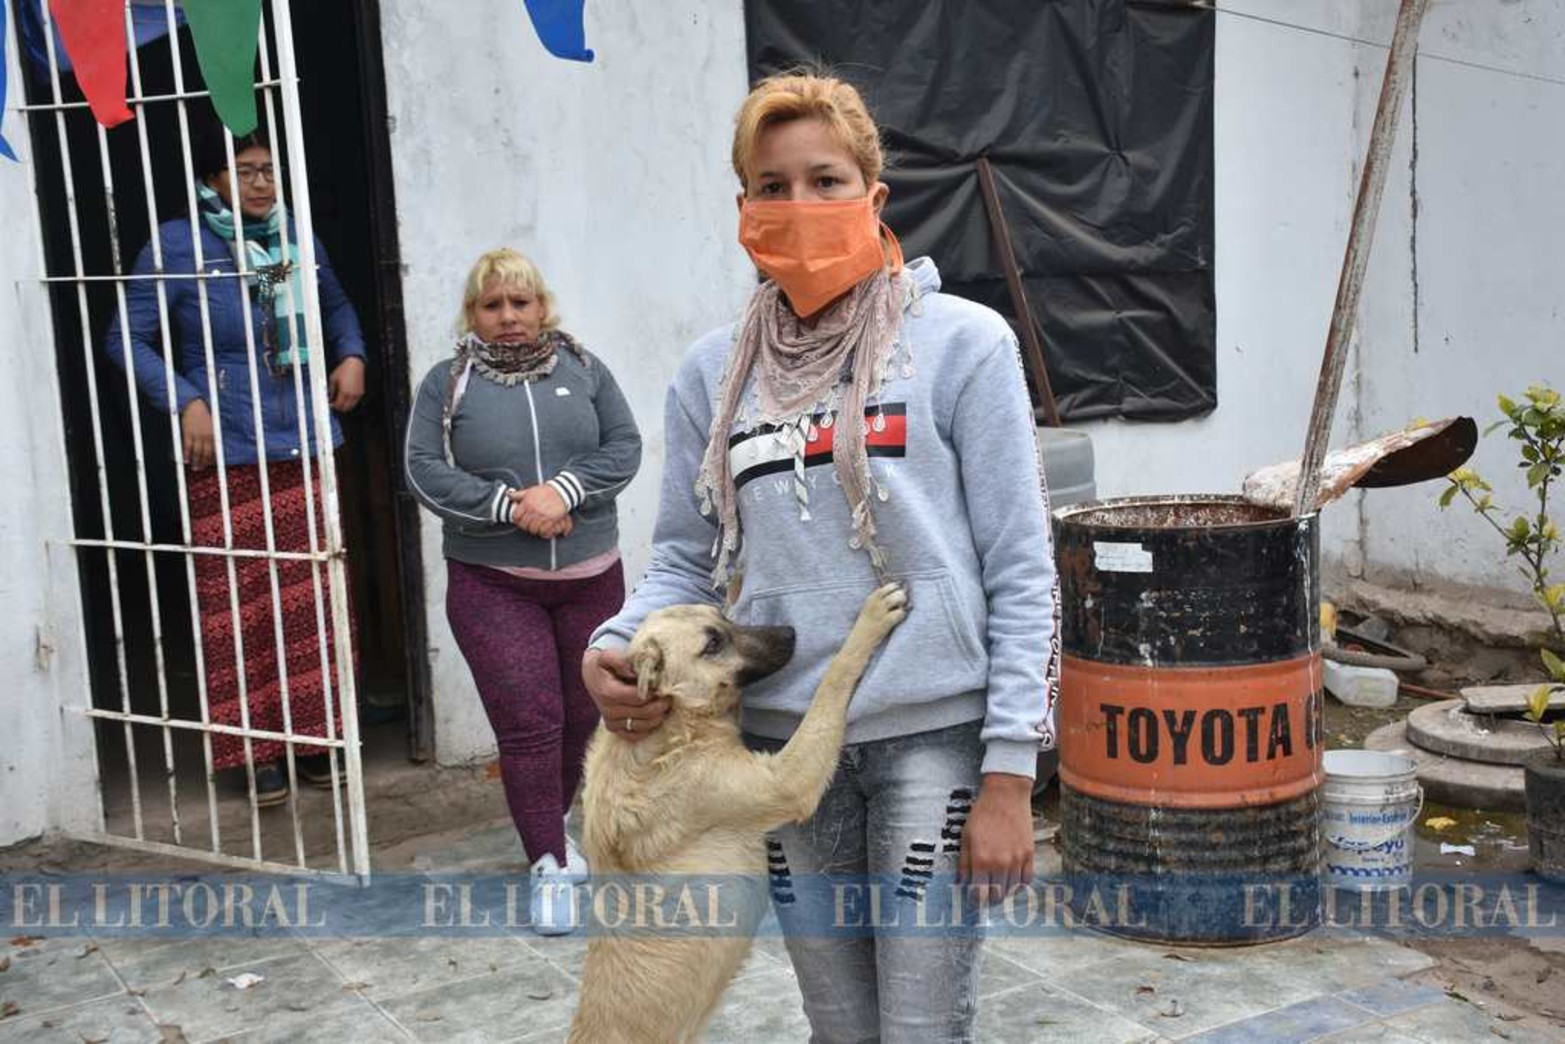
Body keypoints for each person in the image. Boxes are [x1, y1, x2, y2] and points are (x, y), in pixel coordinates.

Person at [581, 71, 1058, 1040]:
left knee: (920, 1026)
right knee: (839, 1025)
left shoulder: (964, 344)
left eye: (825, 180)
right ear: (743, 210)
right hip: (778, 740)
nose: (799, 204)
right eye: (773, 186)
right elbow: (683, 561)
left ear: (873, 196)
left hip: (931, 738)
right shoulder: (713, 373)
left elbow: (1021, 567)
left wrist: (1011, 771)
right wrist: (615, 642)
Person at [105, 124, 366, 809]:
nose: (260, 183)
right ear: (213, 180)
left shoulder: (292, 240)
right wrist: (185, 399)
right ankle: (256, 753)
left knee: (311, 601)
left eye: (269, 170)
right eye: (245, 170)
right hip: (227, 450)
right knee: (239, 608)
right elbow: (124, 337)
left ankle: (315, 741)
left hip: (302, 440)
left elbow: (335, 305)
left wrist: (351, 354)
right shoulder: (179, 245)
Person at [404, 248, 641, 934]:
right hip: (493, 583)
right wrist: (514, 507)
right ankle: (548, 861)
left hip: (591, 579)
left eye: (520, 302)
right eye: (492, 305)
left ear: (542, 307)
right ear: (472, 314)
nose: (508, 316)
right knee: (530, 724)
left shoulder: (585, 370)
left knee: (583, 718)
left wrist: (565, 491)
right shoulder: (447, 384)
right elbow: (423, 470)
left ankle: (551, 827)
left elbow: (623, 447)